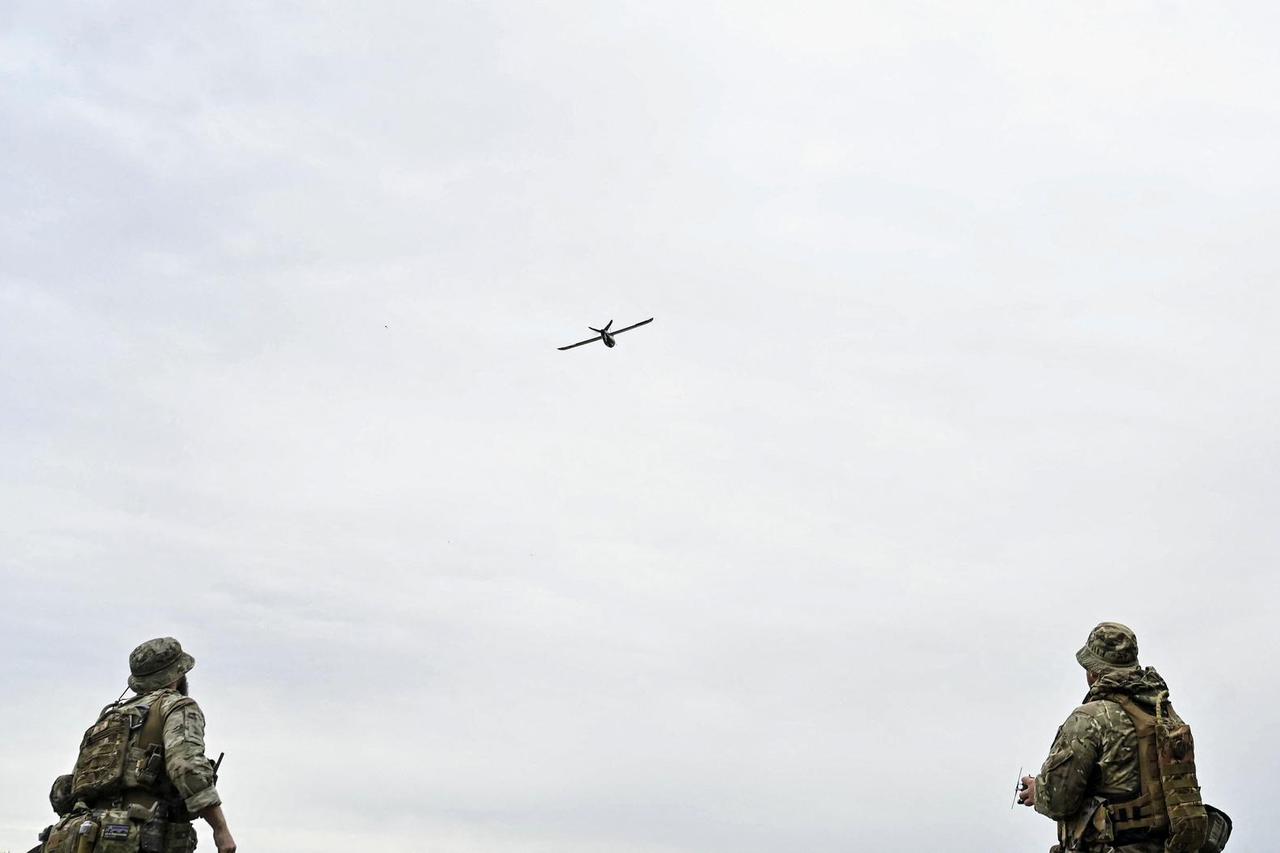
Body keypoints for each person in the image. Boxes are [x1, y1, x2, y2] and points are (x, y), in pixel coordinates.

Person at [1016, 622, 1226, 853]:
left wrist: (1038, 791)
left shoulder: (1089, 719)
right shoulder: (1163, 713)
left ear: (1094, 671)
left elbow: (1059, 801)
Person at [33, 637, 237, 853]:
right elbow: (187, 766)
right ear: (178, 674)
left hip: (86, 838)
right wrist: (220, 830)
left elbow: (70, 788)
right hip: (139, 838)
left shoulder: (108, 718)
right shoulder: (176, 706)